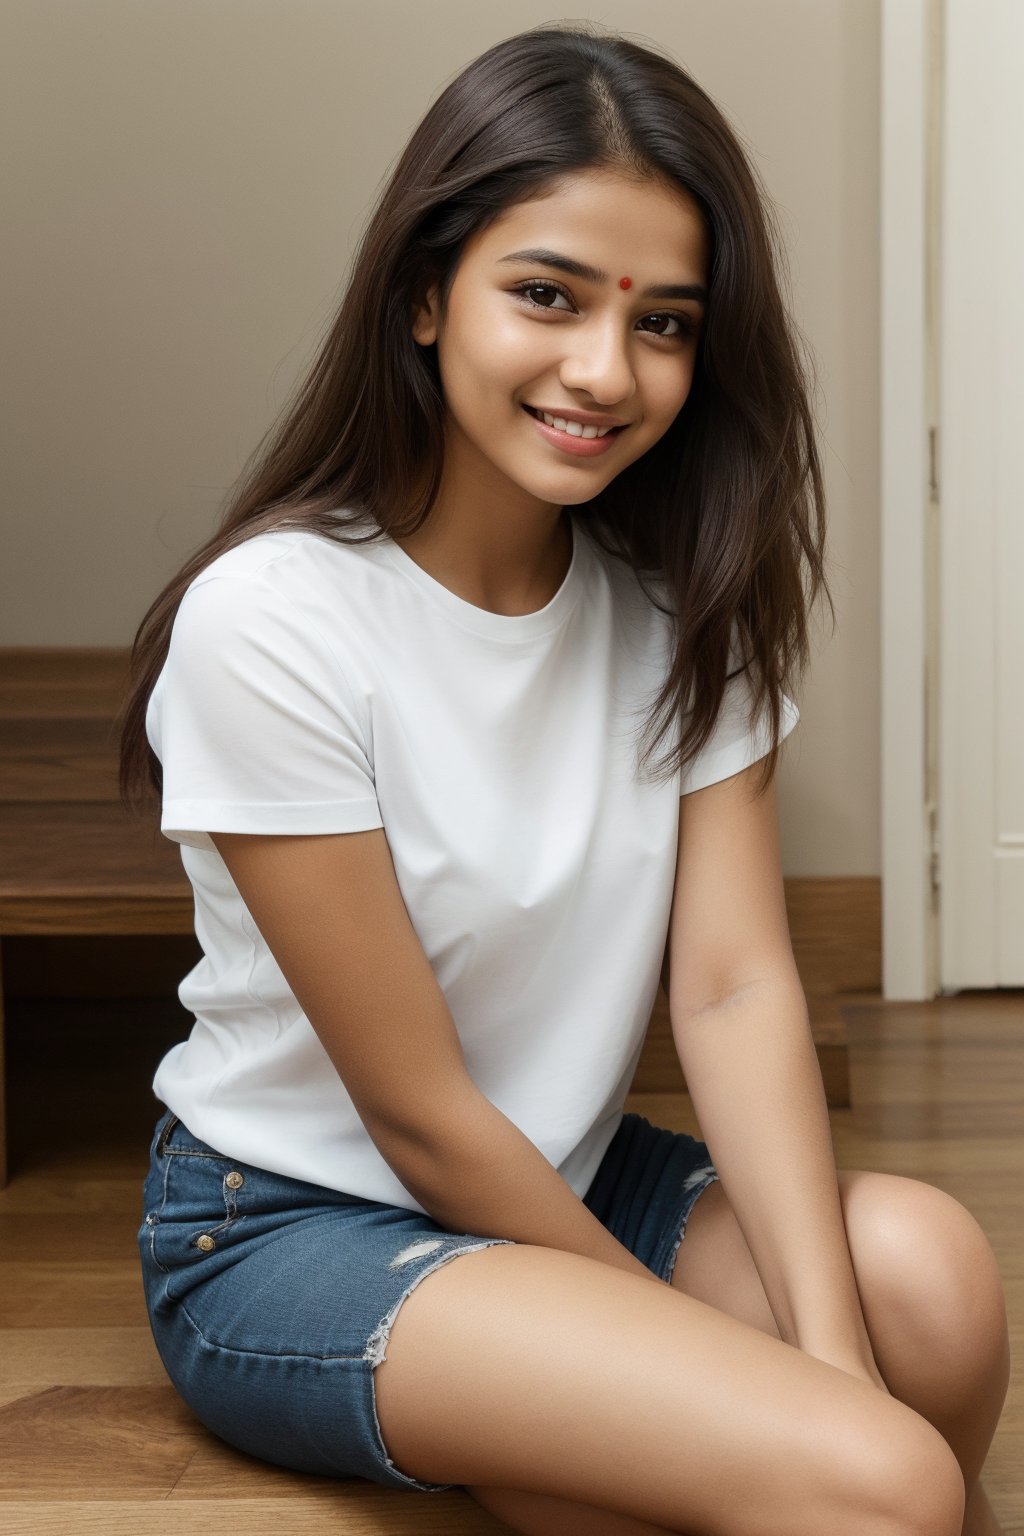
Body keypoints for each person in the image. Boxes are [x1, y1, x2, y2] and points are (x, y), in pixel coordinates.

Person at [117, 22, 1009, 1536]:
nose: (606, 369)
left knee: (931, 1283)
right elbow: (419, 1119)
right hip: (300, 1229)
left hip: (576, 1178)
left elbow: (733, 992)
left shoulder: (677, 609)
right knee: (874, 1474)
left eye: (663, 321)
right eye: (546, 294)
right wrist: (779, 1401)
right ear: (423, 293)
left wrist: (828, 1358)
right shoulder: (273, 620)